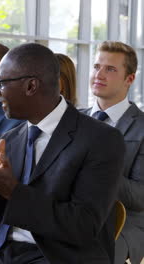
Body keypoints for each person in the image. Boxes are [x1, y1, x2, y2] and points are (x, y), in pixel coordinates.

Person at [0, 43, 125, 263]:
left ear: (31, 86)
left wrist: (11, 190)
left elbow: (83, 226)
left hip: (59, 256)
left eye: (1, 83)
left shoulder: (102, 140)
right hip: (0, 253)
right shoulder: (10, 140)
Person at [81, 41, 144, 264]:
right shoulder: (72, 120)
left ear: (130, 79)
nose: (99, 74)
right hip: (71, 218)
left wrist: (99, 172)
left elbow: (140, 196)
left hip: (124, 224)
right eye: (97, 66)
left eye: (110, 69)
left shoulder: (142, 128)